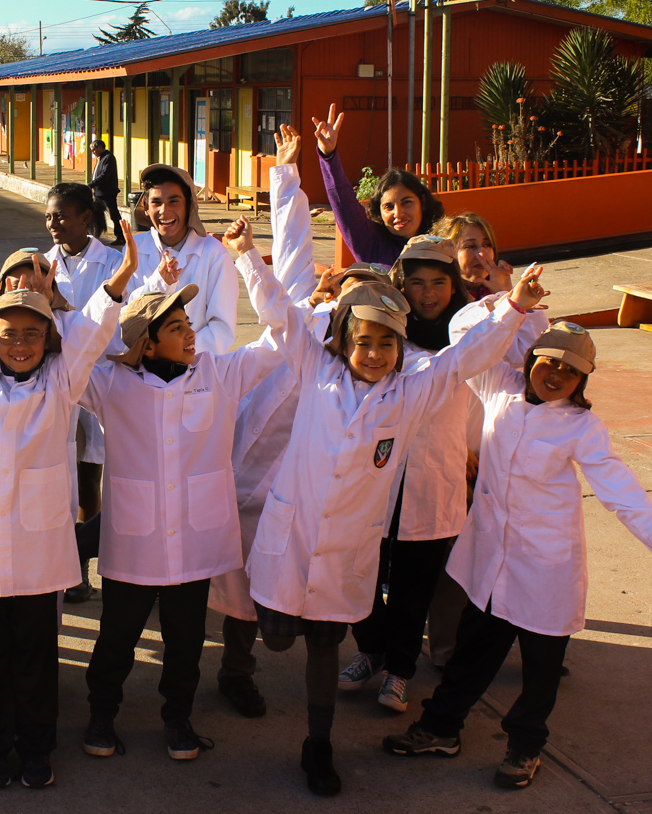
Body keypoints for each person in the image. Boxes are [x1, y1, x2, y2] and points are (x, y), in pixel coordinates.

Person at [246, 161, 548, 795]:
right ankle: (295, 638)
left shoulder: (410, 391)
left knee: (326, 643)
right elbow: (277, 311)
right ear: (343, 341)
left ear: (400, 346)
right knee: (277, 640)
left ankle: (317, 745)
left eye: (388, 344)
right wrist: (248, 256)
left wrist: (514, 309)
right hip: (293, 533)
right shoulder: (316, 371)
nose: (376, 355)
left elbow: (467, 356)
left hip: (347, 547)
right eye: (364, 343)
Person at [384, 319, 652, 790]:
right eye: (549, 362)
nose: (556, 375)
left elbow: (618, 486)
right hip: (492, 559)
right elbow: (467, 334)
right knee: (472, 651)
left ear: (582, 381)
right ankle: (440, 728)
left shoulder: (581, 427)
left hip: (545, 564)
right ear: (530, 359)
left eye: (570, 372)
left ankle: (525, 748)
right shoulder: (498, 387)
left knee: (541, 666)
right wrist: (510, 302)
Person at [0, 212, 138, 790]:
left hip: (36, 551)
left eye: (31, 333)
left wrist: (121, 280)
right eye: (7, 333)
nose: (18, 343)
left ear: (48, 338)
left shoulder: (62, 383)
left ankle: (37, 749)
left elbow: (88, 334)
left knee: (36, 660)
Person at [79, 216, 284, 763]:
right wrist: (124, 280)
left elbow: (279, 337)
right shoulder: (111, 384)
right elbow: (76, 356)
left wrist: (250, 261)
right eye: (176, 327)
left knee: (186, 642)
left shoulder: (220, 374)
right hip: (134, 544)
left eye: (189, 322)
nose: (192, 332)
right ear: (147, 345)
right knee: (117, 637)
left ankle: (178, 720)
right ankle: (101, 716)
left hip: (194, 544)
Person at [208, 126, 396, 720]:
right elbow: (288, 244)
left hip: (295, 491)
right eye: (348, 291)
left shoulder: (370, 370)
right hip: (237, 468)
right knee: (225, 581)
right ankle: (224, 670)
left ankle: (258, 660)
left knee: (268, 591)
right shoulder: (302, 321)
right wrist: (286, 174)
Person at [336, 233, 476, 713]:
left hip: (436, 482)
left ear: (454, 287)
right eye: (417, 284)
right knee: (361, 572)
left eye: (440, 282)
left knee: (416, 585)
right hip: (376, 481)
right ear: (401, 287)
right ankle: (372, 649)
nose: (430, 294)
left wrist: (474, 449)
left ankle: (399, 670)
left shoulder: (467, 339)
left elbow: (491, 393)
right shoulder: (384, 337)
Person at [44, 182, 125, 602]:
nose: (53, 223)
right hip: (57, 383)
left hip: (100, 379)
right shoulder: (43, 263)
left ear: (85, 219)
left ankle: (84, 566)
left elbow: (115, 325)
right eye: (49, 216)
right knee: (63, 472)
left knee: (92, 472)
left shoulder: (114, 261)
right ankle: (66, 566)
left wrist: (66, 309)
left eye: (61, 215)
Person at [312, 104, 445, 266]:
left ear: (422, 203)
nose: (398, 213)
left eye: (406, 202)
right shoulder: (372, 246)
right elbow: (343, 202)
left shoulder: (441, 247)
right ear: (379, 212)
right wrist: (329, 156)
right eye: (389, 207)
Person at [130, 163, 238, 355]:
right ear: (145, 207)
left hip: (196, 369)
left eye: (174, 201)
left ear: (189, 205)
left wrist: (176, 354)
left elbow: (222, 328)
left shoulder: (214, 254)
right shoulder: (134, 250)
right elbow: (125, 313)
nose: (164, 211)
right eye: (156, 202)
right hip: (142, 366)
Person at [434, 212, 513, 301]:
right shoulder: (439, 296)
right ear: (447, 253)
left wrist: (506, 293)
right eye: (470, 246)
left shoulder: (499, 287)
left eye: (487, 244)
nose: (482, 254)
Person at [88, 138, 122, 242]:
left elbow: (104, 175)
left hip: (107, 193)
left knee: (114, 214)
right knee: (96, 214)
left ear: (100, 147)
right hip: (99, 193)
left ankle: (120, 236)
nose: (93, 152)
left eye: (94, 149)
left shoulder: (108, 158)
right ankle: (96, 234)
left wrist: (91, 184)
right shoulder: (100, 158)